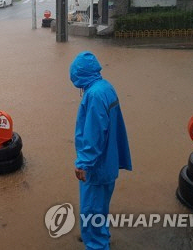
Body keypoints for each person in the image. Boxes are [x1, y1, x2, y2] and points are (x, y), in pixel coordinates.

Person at [69, 51, 132, 250]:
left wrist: (83, 163)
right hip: (108, 163)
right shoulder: (105, 87)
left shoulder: (94, 95)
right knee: (100, 209)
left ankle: (97, 245)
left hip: (96, 167)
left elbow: (94, 133)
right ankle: (101, 237)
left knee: (90, 212)